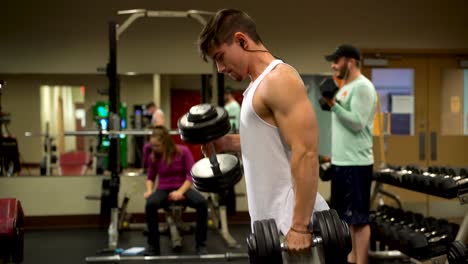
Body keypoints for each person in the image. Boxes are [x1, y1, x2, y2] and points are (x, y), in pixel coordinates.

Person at [198, 9, 329, 260]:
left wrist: (299, 226)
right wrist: (225, 142)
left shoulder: (279, 79)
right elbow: (267, 142)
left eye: (220, 57)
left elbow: (306, 152)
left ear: (241, 41)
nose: (220, 68)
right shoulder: (254, 88)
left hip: (292, 225)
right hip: (271, 225)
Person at [322, 44, 377, 264]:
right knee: (346, 219)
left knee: (359, 220)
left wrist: (333, 105)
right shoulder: (345, 87)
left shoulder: (363, 87)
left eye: (337, 61)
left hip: (357, 163)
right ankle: (352, 259)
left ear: (350, 62)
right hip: (342, 162)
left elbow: (357, 123)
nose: (333, 66)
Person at [143, 126, 208, 255]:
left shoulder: (183, 151)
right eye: (152, 146)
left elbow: (190, 176)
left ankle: (201, 245)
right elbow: (150, 177)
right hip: (163, 189)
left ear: (165, 142)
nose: (154, 149)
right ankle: (153, 247)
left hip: (182, 188)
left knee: (202, 203)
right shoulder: (154, 156)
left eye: (157, 146)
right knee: (150, 204)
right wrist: (149, 190)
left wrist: (180, 192)